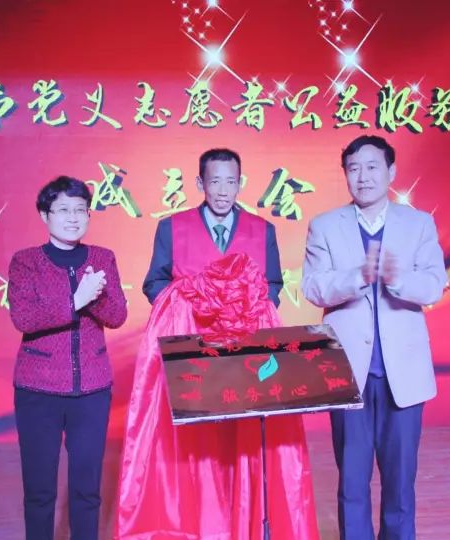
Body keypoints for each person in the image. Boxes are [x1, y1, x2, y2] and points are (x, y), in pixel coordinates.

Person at [116, 148, 319, 539]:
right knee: (197, 443)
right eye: (215, 182)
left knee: (243, 440)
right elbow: (154, 283)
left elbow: (272, 286)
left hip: (246, 355)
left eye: (231, 182)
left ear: (240, 183)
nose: (223, 191)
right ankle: (197, 525)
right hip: (192, 356)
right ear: (200, 183)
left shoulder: (262, 230)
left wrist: (243, 311)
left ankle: (246, 523)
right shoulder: (172, 228)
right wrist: (193, 307)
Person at [301, 135, 447, 539]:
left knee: (400, 483)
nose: (363, 177)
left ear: (391, 172)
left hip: (405, 374)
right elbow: (312, 287)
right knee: (352, 483)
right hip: (347, 373)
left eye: (371, 167)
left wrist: (397, 280)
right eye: (354, 169)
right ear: (345, 175)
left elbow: (434, 285)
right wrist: (358, 276)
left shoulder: (418, 224)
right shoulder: (325, 226)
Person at [7, 176, 127, 540]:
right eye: (62, 210)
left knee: (87, 490)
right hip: (37, 391)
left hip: (91, 390)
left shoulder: (103, 258)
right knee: (39, 491)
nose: (73, 218)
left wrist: (95, 296)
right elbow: (24, 318)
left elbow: (117, 316)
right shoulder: (26, 262)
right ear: (45, 215)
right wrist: (77, 299)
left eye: (80, 210)